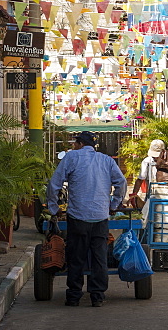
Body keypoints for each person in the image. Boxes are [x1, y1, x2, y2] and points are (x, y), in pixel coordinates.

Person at [46, 131, 127, 307]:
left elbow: (54, 183)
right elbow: (121, 183)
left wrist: (54, 208)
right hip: (100, 217)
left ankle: (74, 296)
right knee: (99, 257)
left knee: (76, 257)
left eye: (75, 143)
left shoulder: (71, 157)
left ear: (80, 143)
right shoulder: (106, 160)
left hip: (78, 217)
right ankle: (97, 296)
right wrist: (113, 205)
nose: (74, 146)